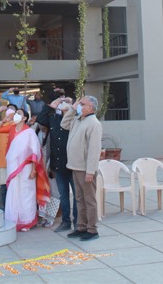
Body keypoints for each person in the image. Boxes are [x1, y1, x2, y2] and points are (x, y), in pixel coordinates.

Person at [61, 95, 102, 241]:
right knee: (79, 198)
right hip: (75, 166)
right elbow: (64, 124)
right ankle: (81, 227)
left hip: (85, 169)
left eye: (82, 103)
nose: (79, 105)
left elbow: (94, 150)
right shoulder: (78, 119)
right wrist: (72, 109)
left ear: (90, 107)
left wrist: (90, 171)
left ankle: (92, 229)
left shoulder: (93, 123)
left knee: (89, 199)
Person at [4, 109, 50, 231]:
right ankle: (13, 219)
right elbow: (9, 148)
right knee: (14, 193)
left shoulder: (29, 132)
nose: (16, 115)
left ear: (25, 118)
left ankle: (27, 221)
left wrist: (33, 170)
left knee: (26, 194)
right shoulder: (12, 129)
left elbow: (35, 152)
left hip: (26, 167)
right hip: (13, 167)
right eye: (16, 113)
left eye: (19, 113)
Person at [37, 94, 77, 232]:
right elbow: (41, 119)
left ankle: (77, 222)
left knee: (77, 195)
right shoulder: (54, 119)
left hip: (73, 164)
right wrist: (51, 106)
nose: (64, 105)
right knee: (63, 195)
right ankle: (66, 222)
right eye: (63, 103)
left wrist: (73, 105)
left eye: (67, 103)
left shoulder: (76, 120)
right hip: (58, 165)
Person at [0, 105, 18, 205]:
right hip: (2, 163)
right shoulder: (0, 127)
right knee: (4, 189)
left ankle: (14, 210)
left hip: (15, 162)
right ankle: (6, 210)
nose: (11, 116)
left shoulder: (17, 127)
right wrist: (3, 121)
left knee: (14, 189)